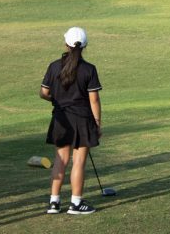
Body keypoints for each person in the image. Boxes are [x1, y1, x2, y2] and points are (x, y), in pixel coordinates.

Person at [39, 27, 103, 215]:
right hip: (82, 120)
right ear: (85, 46)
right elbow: (94, 100)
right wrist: (97, 123)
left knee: (60, 161)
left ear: (65, 44)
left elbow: (44, 93)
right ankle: (75, 204)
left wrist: (57, 99)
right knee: (78, 162)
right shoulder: (89, 69)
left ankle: (54, 202)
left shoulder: (54, 66)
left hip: (60, 120)